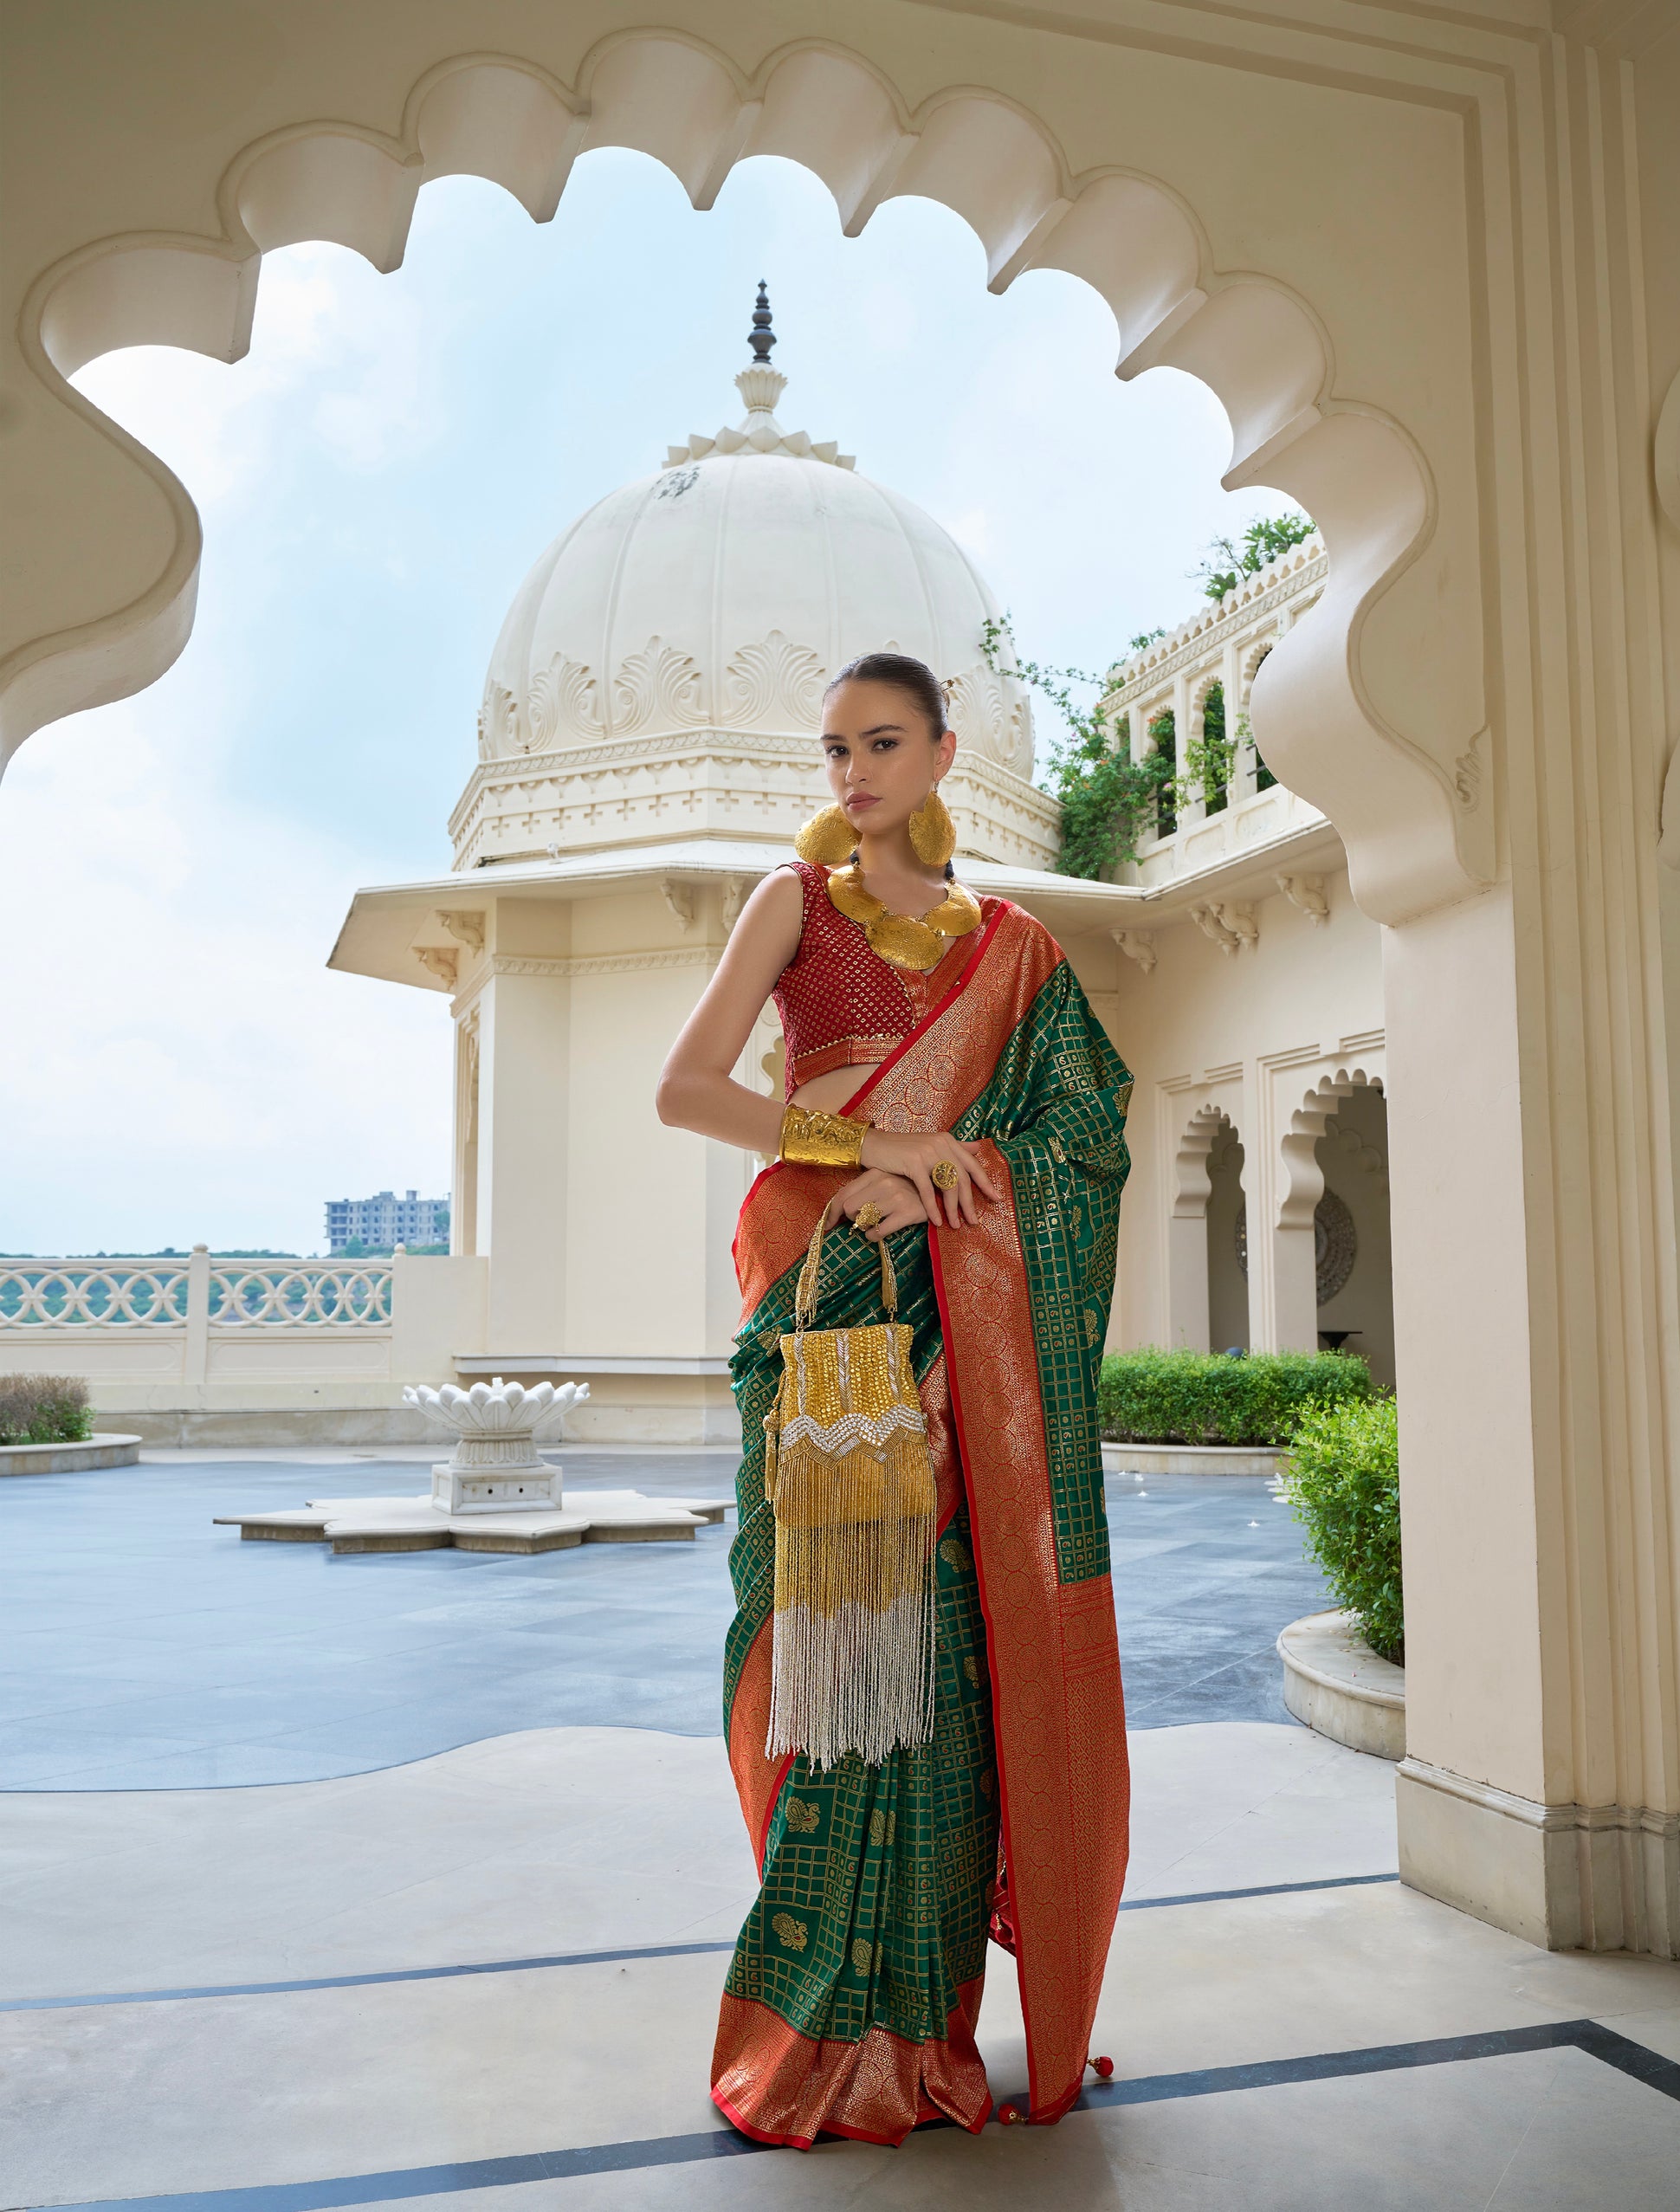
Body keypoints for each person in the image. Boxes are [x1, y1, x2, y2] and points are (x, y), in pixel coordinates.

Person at [656, 650, 1134, 2147]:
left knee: (952, 1675)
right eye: (833, 748)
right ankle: (817, 2031)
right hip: (834, 1330)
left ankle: (927, 2037)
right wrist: (851, 1154)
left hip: (961, 1330)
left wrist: (960, 1171)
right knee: (841, 1665)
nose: (851, 772)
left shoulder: (1016, 950)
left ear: (940, 752)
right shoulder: (792, 903)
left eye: (880, 743)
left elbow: (1084, 1137)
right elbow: (687, 1088)